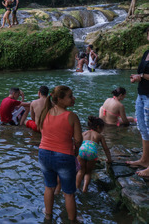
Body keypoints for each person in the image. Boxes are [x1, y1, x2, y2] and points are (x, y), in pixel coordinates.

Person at [38, 86, 82, 222]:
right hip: (64, 156)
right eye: (70, 96)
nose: (73, 98)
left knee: (49, 187)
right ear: (60, 99)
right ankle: (72, 220)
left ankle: (48, 216)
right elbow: (79, 140)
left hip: (44, 153)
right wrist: (75, 152)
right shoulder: (72, 116)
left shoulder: (45, 112)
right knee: (68, 193)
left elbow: (42, 131)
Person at [127, 27, 149, 177]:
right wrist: (137, 76)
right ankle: (144, 159)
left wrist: (142, 76)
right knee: (143, 129)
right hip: (141, 95)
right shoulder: (147, 53)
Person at [76, 116, 111, 193]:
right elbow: (106, 149)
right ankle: (85, 189)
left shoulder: (84, 133)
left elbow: (77, 143)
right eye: (102, 128)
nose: (102, 130)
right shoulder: (99, 136)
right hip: (92, 153)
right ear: (98, 127)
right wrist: (109, 159)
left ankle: (77, 188)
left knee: (80, 171)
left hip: (82, 151)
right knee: (88, 172)